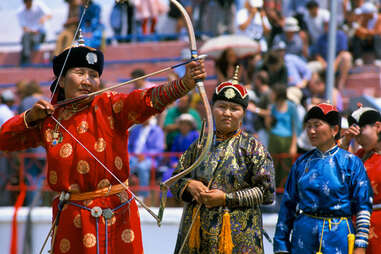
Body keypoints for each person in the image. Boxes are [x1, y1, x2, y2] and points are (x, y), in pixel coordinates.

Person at [0, 43, 206, 253]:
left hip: (115, 214)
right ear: (61, 80)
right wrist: (29, 118)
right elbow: (4, 140)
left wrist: (184, 84)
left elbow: (144, 101)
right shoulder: (48, 119)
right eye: (80, 73)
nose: (87, 81)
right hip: (71, 221)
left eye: (93, 75)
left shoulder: (110, 105)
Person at [170, 76, 275, 253]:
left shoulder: (253, 148)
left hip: (238, 235)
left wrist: (226, 198)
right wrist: (189, 185)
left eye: (234, 109)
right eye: (221, 107)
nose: (227, 113)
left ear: (243, 113)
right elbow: (174, 179)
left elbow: (266, 192)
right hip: (197, 234)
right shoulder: (199, 145)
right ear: (212, 109)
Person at [273, 103, 373, 254]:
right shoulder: (301, 163)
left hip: (338, 236)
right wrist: (281, 245)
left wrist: (360, 244)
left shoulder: (351, 162)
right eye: (308, 126)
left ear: (334, 130)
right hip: (303, 238)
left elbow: (363, 205)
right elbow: (288, 205)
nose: (311, 131)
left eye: (317, 125)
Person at [340, 106, 381, 254]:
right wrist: (346, 142)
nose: (358, 139)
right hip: (358, 226)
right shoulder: (361, 155)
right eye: (354, 136)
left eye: (360, 133)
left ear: (377, 126)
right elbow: (337, 170)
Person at [128, 116, 164, 200]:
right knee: (124, 167)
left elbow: (158, 149)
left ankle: (142, 196)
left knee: (142, 167)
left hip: (150, 158)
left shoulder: (157, 131)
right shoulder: (135, 129)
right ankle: (123, 193)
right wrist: (130, 155)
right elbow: (129, 146)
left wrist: (145, 155)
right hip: (133, 157)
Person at [17, 0, 52, 65]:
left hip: (41, 33)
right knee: (26, 37)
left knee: (26, 39)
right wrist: (32, 31)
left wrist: (44, 18)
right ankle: (26, 58)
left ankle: (25, 58)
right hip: (30, 35)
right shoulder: (20, 11)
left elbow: (50, 15)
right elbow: (24, 28)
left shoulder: (39, 5)